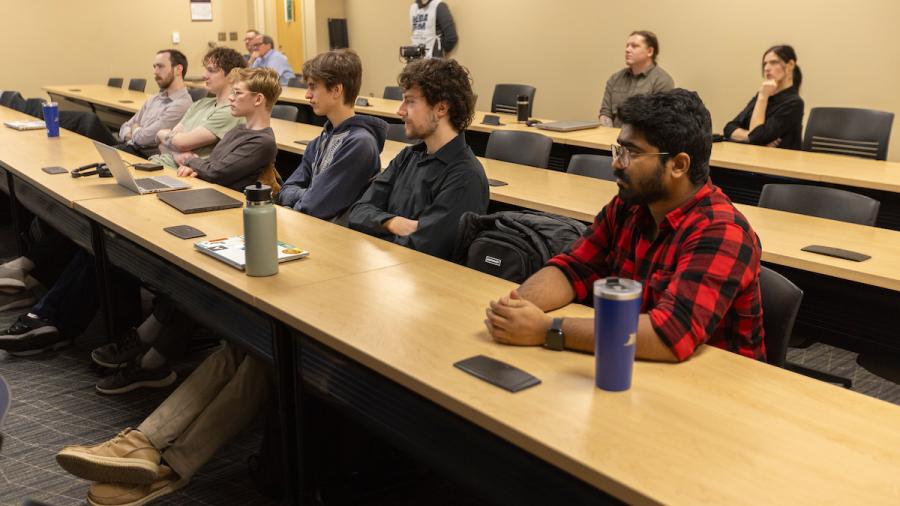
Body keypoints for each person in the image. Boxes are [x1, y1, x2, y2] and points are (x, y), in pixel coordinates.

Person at [0, 68, 281, 385]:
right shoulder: (238, 132)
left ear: (258, 99)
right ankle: (50, 317)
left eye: (238, 93)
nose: (231, 96)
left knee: (114, 243)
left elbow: (214, 171)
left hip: (216, 221)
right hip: (197, 202)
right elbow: (210, 166)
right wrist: (193, 163)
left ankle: (62, 320)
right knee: (102, 239)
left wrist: (192, 162)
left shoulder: (261, 141)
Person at [486, 89, 765, 363]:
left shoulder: (722, 232)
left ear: (679, 165)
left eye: (631, 153)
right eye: (618, 149)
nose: (617, 163)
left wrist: (546, 329)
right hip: (639, 365)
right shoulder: (629, 206)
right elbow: (573, 268)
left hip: (716, 391)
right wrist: (515, 308)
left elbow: (669, 334)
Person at [349, 57, 489, 260]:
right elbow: (358, 211)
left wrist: (376, 226)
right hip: (390, 272)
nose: (400, 110)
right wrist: (392, 222)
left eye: (410, 101)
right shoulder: (408, 157)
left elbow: (424, 249)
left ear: (441, 108)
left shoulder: (465, 177)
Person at [279, 49, 388, 222]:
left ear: (336, 90)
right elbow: (285, 190)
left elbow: (314, 207)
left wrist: (307, 197)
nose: (307, 95)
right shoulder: (319, 141)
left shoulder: (360, 144)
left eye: (313, 87)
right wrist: (310, 194)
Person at [150, 47, 246, 168]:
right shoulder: (200, 104)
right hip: (160, 164)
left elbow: (181, 143)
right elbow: (163, 144)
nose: (204, 75)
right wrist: (176, 153)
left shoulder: (231, 111)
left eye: (211, 70)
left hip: (184, 175)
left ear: (232, 76)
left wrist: (163, 135)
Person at [723, 45, 804, 150]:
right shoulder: (762, 95)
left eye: (774, 62)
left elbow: (756, 137)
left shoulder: (794, 103)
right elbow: (729, 128)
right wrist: (752, 138)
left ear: (790, 65)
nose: (766, 68)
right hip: (753, 157)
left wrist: (763, 97)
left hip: (779, 163)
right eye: (765, 64)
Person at [116, 49, 193, 157]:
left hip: (144, 158)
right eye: (154, 67)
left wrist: (135, 129)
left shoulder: (181, 104)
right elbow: (125, 126)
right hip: (129, 147)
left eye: (160, 66)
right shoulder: (154, 98)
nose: (155, 72)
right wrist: (134, 134)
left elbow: (143, 139)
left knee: (89, 121)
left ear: (178, 69)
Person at [598, 31, 674, 128]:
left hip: (643, 141)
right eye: (627, 46)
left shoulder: (662, 81)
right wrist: (608, 136)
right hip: (612, 139)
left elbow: (659, 120)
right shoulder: (615, 78)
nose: (627, 50)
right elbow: (605, 113)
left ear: (650, 51)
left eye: (634, 46)